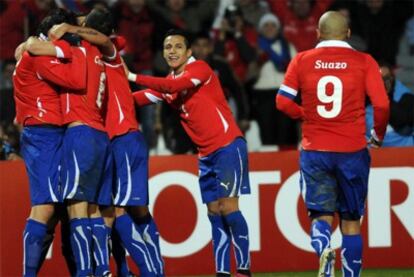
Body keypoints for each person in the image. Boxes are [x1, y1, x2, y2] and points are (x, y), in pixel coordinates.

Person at [49, 8, 165, 276]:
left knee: (128, 211)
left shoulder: (110, 53)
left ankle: (154, 271)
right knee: (109, 211)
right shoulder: (91, 58)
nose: (80, 29)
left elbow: (110, 40)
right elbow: (123, 97)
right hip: (106, 140)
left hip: (123, 138)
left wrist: (71, 30)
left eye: (85, 25)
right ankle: (121, 269)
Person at [127, 29, 252, 277]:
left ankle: (244, 270)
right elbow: (142, 97)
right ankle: (222, 272)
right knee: (214, 211)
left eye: (177, 46)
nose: (171, 51)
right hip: (205, 154)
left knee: (228, 207)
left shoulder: (200, 69)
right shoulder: (169, 82)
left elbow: (175, 85)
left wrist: (131, 75)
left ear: (189, 52)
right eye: (167, 47)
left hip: (227, 145)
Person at [276, 11, 389, 277]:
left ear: (318, 33)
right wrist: (378, 136)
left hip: (315, 150)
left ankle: (324, 250)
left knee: (320, 216)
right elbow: (382, 104)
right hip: (352, 151)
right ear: (348, 34)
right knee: (351, 222)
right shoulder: (364, 61)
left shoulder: (301, 60)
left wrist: (304, 114)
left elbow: (281, 102)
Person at [12, 9, 86, 276]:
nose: (76, 38)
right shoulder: (38, 54)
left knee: (60, 210)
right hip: (44, 135)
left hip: (47, 133)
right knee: (44, 207)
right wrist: (72, 49)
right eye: (72, 31)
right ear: (57, 31)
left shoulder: (31, 49)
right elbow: (77, 79)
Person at [366, 62, 414, 147]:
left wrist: (385, 96)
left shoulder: (406, 97)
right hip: (375, 155)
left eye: (386, 78)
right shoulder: (363, 99)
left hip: (404, 152)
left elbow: (402, 122)